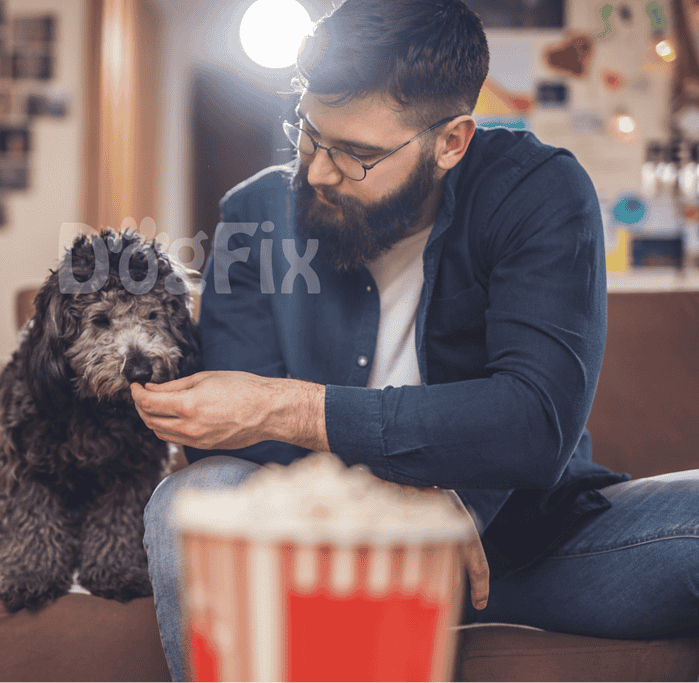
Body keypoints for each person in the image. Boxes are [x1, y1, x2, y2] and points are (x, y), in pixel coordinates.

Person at [130, 0, 699, 680]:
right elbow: (232, 427)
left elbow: (531, 421)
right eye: (309, 133)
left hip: (518, 548)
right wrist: (394, 500)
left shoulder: (538, 192)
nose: (316, 170)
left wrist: (299, 408)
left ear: (451, 140)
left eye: (358, 154)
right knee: (193, 496)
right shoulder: (252, 214)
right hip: (320, 545)